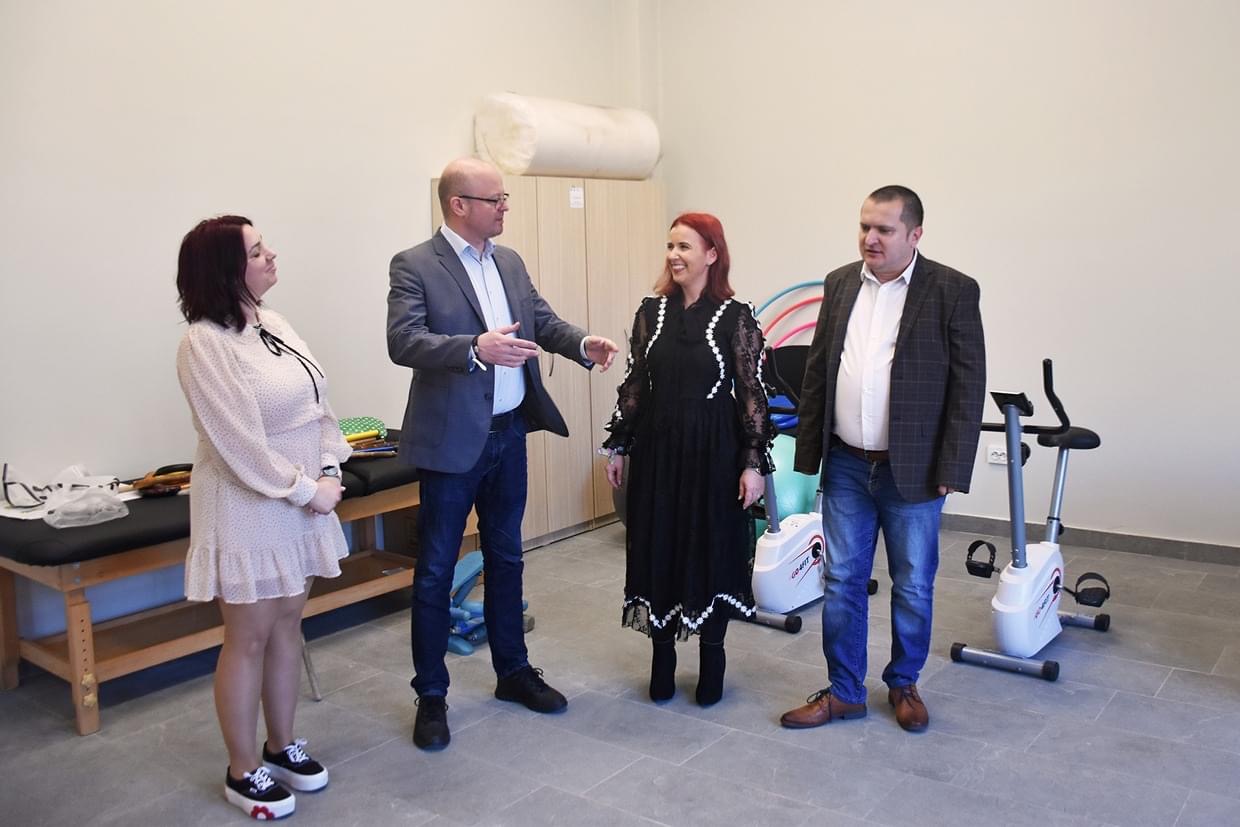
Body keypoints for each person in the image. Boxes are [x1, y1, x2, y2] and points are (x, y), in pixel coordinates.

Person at [387, 157, 619, 751]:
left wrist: (582, 344)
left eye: (505, 198)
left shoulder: (508, 261)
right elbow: (404, 341)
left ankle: (513, 671)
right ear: (459, 204)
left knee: (507, 557)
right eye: (495, 200)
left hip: (509, 433)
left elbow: (539, 319)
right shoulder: (415, 264)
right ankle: (431, 695)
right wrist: (474, 348)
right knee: (436, 569)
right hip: (452, 442)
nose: (504, 208)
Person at [779, 186, 986, 734]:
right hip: (847, 463)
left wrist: (952, 468)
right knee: (842, 580)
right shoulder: (840, 283)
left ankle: (904, 682)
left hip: (913, 469)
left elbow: (968, 387)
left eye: (884, 230)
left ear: (915, 234)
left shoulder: (953, 290)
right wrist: (811, 451)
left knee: (913, 583)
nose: (870, 238)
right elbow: (820, 369)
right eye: (865, 226)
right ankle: (845, 691)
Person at [176, 215, 350, 818]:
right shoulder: (203, 344)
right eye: (256, 251)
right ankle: (242, 769)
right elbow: (238, 445)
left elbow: (319, 404)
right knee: (248, 637)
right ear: (225, 270)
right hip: (249, 505)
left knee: (287, 626)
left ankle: (281, 746)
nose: (271, 255)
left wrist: (329, 466)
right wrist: (307, 490)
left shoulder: (273, 323)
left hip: (304, 496)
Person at [602, 212, 774, 707]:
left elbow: (752, 393)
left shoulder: (736, 316)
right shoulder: (651, 312)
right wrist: (619, 445)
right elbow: (636, 384)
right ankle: (662, 659)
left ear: (712, 255)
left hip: (714, 452)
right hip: (658, 449)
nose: (674, 256)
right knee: (659, 543)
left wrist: (752, 462)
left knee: (711, 545)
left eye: (685, 247)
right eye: (670, 246)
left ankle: (712, 659)